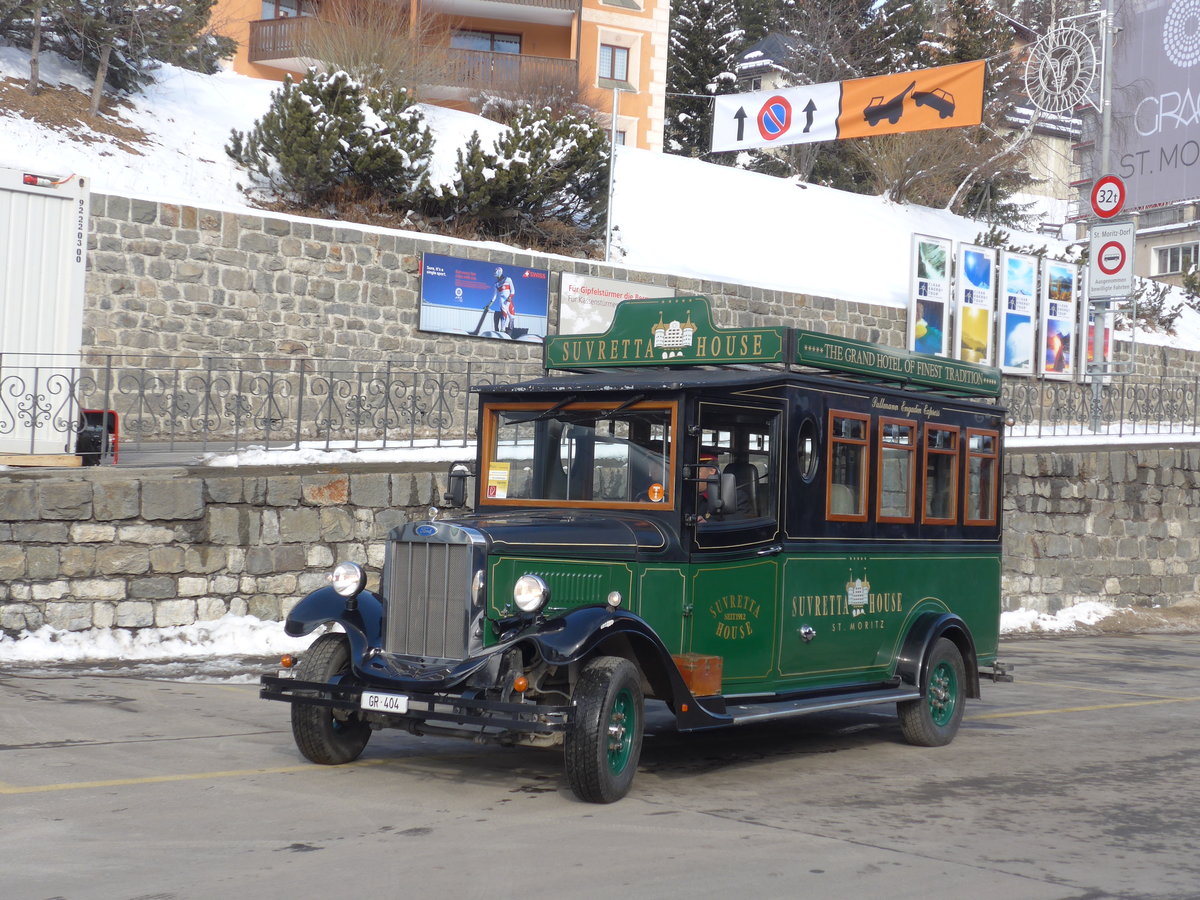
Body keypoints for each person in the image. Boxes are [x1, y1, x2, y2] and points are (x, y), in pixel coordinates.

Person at [492, 267, 516, 335]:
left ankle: (509, 332)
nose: (494, 273)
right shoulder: (496, 284)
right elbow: (494, 296)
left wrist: (510, 297)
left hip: (509, 301)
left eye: (495, 271)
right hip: (502, 301)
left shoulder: (508, 279)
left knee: (512, 317)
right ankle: (502, 330)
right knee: (504, 315)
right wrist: (490, 303)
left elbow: (513, 291)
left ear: (499, 272)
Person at [696, 452, 720, 520]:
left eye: (697, 471)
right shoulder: (682, 495)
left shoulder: (732, 496)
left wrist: (707, 524)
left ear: (712, 471)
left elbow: (730, 525)